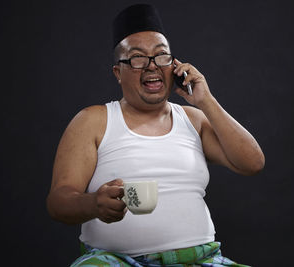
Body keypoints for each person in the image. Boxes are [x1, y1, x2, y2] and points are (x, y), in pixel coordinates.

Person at [47, 4, 265, 267]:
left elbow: (252, 163)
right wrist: (93, 204)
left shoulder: (193, 119)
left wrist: (206, 101)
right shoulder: (93, 121)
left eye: (161, 56)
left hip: (199, 260)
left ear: (174, 66)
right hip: (115, 261)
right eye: (137, 58)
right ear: (118, 72)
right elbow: (59, 201)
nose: (152, 66)